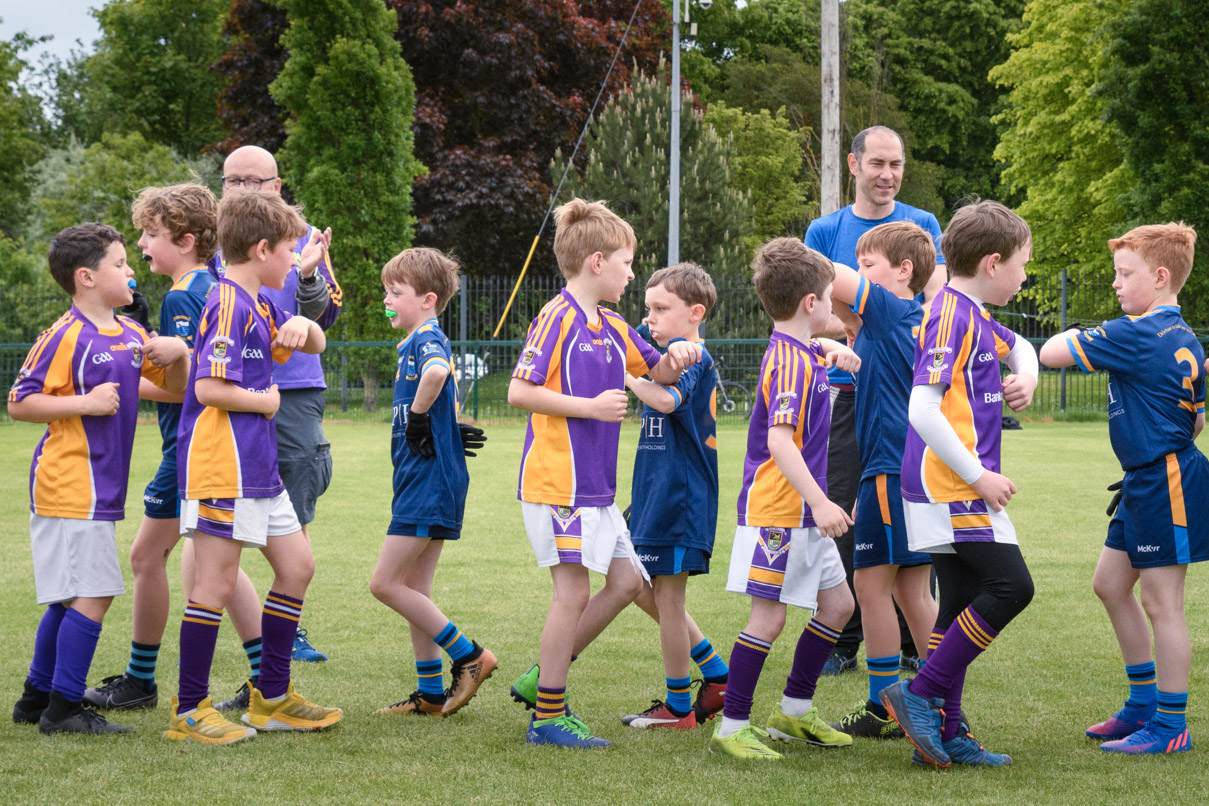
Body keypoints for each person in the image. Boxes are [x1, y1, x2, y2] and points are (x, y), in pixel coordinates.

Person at [507, 198, 701, 748]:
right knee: (571, 593)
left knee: (626, 583)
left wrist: (680, 353)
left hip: (595, 490)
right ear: (597, 262)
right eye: (626, 261)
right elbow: (519, 391)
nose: (632, 272)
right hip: (558, 484)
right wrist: (590, 406)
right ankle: (548, 716)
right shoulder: (557, 316)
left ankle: (543, 686)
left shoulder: (612, 323)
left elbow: (655, 366)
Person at [81, 184, 267, 712]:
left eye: (150, 234)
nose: (141, 244)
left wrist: (119, 377)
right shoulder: (211, 286)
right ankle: (263, 675)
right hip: (203, 447)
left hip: (187, 449)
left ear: (185, 240)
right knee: (208, 565)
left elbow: (190, 383)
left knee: (149, 557)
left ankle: (142, 681)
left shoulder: (188, 294)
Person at [166, 190, 341, 744]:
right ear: (262, 248)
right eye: (290, 249)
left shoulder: (262, 302)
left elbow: (313, 337)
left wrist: (303, 329)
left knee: (297, 567)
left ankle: (272, 696)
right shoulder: (227, 303)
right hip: (224, 466)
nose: (296, 260)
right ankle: (190, 709)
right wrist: (266, 399)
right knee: (213, 584)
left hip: (258, 467)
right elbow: (208, 386)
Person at [10, 223, 189, 734]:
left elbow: (174, 392)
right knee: (95, 592)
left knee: (71, 595)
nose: (131, 270)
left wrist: (174, 355)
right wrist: (85, 403)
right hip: (69, 483)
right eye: (119, 263)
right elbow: (21, 401)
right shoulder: (65, 335)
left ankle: (35, 698)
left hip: (100, 489)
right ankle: (63, 709)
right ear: (86, 277)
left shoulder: (133, 337)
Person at [879, 200, 1038, 768]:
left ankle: (947, 735)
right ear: (993, 263)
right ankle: (918, 695)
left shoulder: (967, 310)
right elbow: (922, 410)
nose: (1026, 274)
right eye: (1023, 264)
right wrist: (979, 475)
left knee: (961, 603)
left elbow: (1021, 348)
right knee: (1012, 588)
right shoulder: (951, 314)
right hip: (951, 483)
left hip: (946, 484)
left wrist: (1029, 377)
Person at [1040, 222, 1206, 754]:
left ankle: (1169, 725)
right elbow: (1197, 422)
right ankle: (1141, 704)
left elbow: (1051, 353)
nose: (1114, 284)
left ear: (1160, 278)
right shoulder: (1185, 338)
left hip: (1166, 482)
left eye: (1124, 274)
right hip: (1147, 477)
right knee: (1111, 584)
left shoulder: (1135, 332)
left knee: (1163, 604)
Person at [708, 237, 860, 760]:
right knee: (768, 620)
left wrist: (833, 348)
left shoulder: (801, 351)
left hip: (804, 513)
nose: (836, 307)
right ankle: (732, 726)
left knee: (839, 605)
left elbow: (818, 363)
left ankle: (793, 712)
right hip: (780, 512)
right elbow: (779, 440)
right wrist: (820, 502)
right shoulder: (791, 362)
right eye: (830, 297)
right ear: (811, 304)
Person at [805, 126, 946, 676]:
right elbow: (817, 307)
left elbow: (927, 311)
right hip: (849, 401)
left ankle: (916, 680)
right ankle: (854, 649)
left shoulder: (916, 237)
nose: (887, 175)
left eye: (897, 165)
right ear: (855, 164)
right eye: (878, 164)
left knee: (894, 560)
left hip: (898, 420)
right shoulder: (829, 227)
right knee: (851, 522)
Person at [825, 222, 939, 739]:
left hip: (887, 472)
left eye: (868, 264)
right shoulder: (892, 324)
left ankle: (887, 705)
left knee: (872, 585)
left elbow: (829, 275)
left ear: (903, 271)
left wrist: (790, 259)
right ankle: (935, 698)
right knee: (911, 591)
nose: (861, 272)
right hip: (904, 470)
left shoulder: (894, 310)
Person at [370, 247, 495, 717]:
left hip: (427, 481)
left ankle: (470, 656)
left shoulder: (427, 338)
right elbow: (447, 389)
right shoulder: (414, 341)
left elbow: (439, 372)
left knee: (384, 584)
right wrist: (443, 424)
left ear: (427, 299)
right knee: (414, 589)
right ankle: (428, 694)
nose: (387, 299)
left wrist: (421, 416)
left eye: (394, 292)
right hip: (424, 477)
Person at [618, 263, 729, 729]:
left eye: (661, 309)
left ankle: (679, 707)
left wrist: (623, 374)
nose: (650, 319)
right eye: (647, 310)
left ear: (695, 313)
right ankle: (717, 673)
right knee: (635, 583)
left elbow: (665, 402)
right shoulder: (666, 358)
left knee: (668, 597)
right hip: (653, 496)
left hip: (679, 499)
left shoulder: (693, 356)